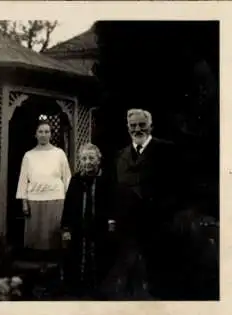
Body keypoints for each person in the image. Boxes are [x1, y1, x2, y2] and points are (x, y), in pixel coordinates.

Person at [112, 108, 186, 299]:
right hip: (128, 225)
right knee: (130, 273)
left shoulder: (167, 150)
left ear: (150, 126)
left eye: (142, 125)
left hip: (157, 223)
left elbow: (178, 186)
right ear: (128, 128)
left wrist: (166, 214)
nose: (138, 129)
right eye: (133, 125)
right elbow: (116, 190)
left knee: (157, 276)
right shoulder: (120, 155)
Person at [60, 143, 117, 299]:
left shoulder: (106, 179)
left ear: (98, 160)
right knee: (76, 258)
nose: (88, 162)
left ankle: (99, 291)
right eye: (84, 158)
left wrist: (111, 226)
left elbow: (113, 205)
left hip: (100, 229)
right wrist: (65, 230)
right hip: (79, 229)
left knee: (101, 260)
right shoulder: (76, 180)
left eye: (91, 158)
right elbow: (68, 208)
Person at [15, 117, 72, 256]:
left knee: (54, 238)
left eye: (47, 131)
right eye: (40, 131)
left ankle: (54, 265)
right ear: (35, 134)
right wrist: (24, 202)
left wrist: (70, 201)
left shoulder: (59, 154)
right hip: (34, 200)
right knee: (36, 239)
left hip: (56, 199)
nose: (44, 134)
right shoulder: (29, 155)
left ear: (51, 134)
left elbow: (67, 178)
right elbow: (23, 180)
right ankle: (38, 264)